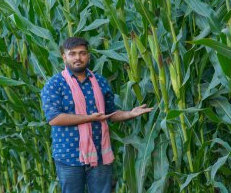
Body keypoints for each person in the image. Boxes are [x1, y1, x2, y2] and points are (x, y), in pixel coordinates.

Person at [41, 37, 152, 193]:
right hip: (69, 156)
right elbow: (54, 119)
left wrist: (130, 113)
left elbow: (109, 114)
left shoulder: (99, 81)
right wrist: (90, 118)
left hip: (100, 154)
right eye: (72, 54)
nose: (78, 58)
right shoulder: (54, 84)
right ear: (64, 57)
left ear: (88, 56)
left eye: (82, 53)